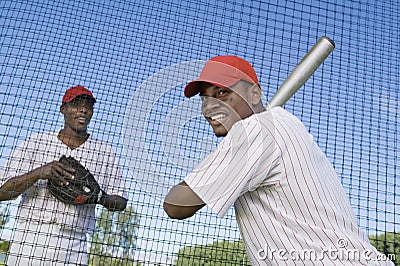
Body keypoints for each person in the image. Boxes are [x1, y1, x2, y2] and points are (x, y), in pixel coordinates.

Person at [163, 55, 393, 265]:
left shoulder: (256, 130)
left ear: (254, 93)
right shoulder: (285, 123)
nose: (209, 107)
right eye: (204, 99)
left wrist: (211, 164)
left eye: (222, 92)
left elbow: (176, 206)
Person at [0, 85, 128, 265]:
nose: (83, 109)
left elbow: (121, 202)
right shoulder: (36, 142)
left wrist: (99, 197)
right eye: (76, 104)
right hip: (30, 237)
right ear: (63, 109)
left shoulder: (104, 152)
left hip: (75, 243)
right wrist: (38, 173)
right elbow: (3, 192)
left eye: (88, 106)